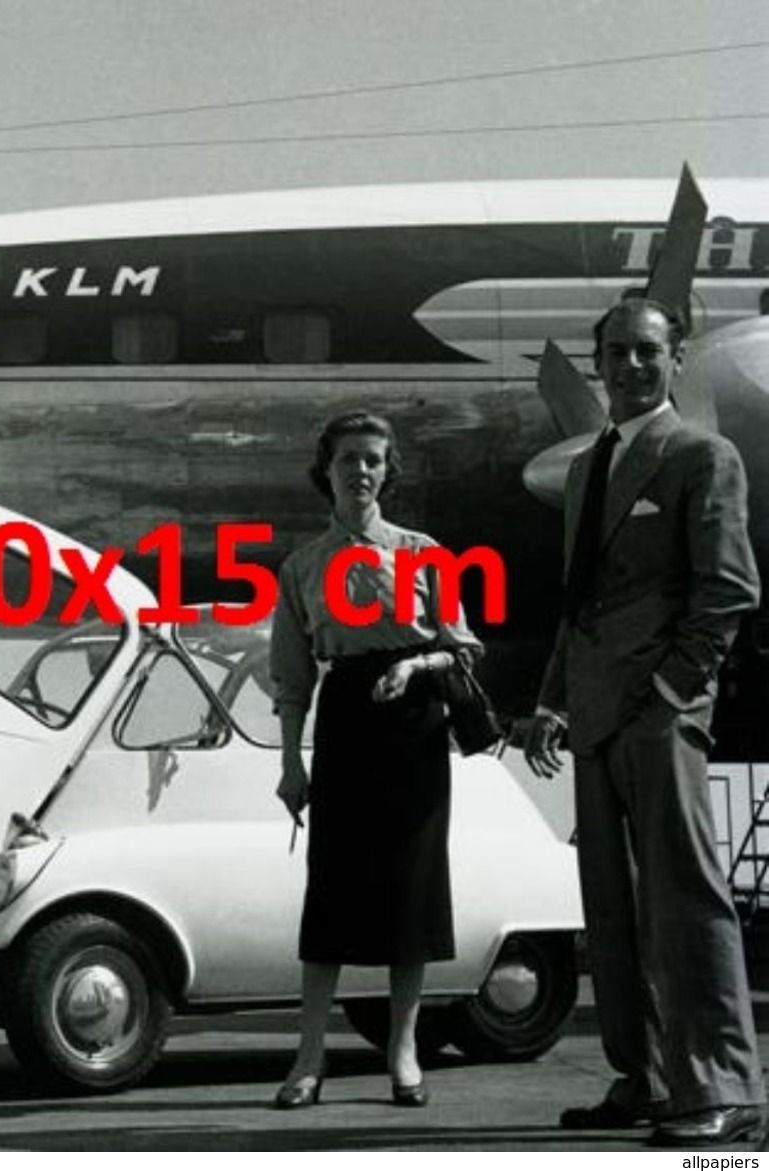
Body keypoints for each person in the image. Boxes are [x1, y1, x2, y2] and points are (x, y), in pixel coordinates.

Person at [516, 297, 764, 1146]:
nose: (629, 366)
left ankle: (723, 1085)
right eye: (616, 352)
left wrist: (669, 694)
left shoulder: (702, 454)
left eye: (646, 352)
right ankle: (647, 1075)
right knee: (613, 904)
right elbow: (576, 600)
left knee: (684, 897)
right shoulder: (589, 467)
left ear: (676, 357)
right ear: (599, 362)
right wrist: (550, 699)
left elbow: (728, 591)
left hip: (657, 715)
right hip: (591, 713)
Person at [270, 410, 480, 1109]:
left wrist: (417, 664)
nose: (360, 470)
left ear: (388, 470)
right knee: (329, 888)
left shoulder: (423, 553)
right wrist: (289, 764)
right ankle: (308, 1057)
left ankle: (402, 1051)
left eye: (372, 458)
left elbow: (462, 645)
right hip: (345, 722)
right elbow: (291, 679)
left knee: (410, 891)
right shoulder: (301, 566)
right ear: (324, 470)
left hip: (414, 726)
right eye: (346, 459)